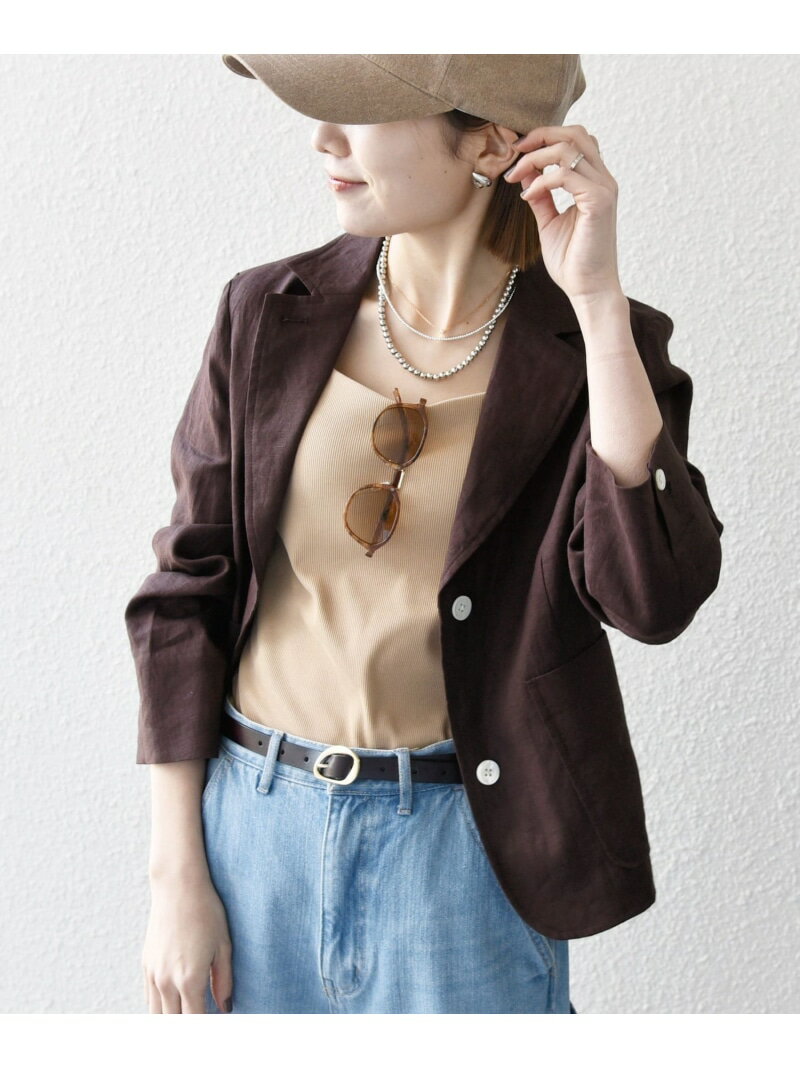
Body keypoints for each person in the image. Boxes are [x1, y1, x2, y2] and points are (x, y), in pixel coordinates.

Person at [127, 55, 723, 1014]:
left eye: (358, 113)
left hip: (461, 860)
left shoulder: (597, 352)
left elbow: (650, 599)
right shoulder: (266, 311)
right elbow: (185, 593)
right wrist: (175, 876)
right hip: (252, 839)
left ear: (490, 143)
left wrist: (597, 306)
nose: (323, 140)